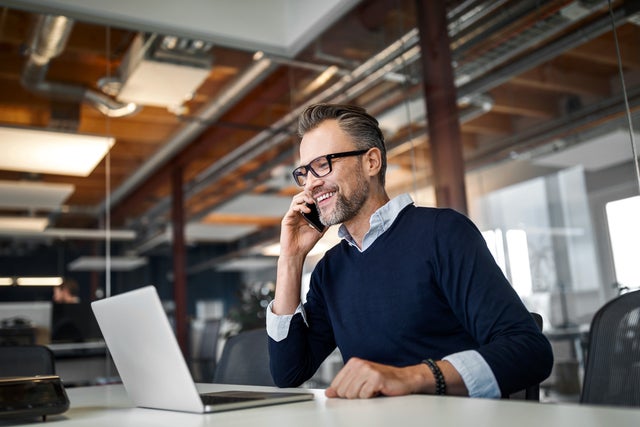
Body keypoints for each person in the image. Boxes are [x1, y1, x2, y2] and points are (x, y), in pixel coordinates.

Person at [266, 103, 553, 399]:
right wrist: (290, 258)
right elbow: (289, 373)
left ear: (371, 162)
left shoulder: (442, 233)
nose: (311, 184)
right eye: (304, 172)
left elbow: (529, 351)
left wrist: (411, 377)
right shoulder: (330, 269)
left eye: (323, 164)